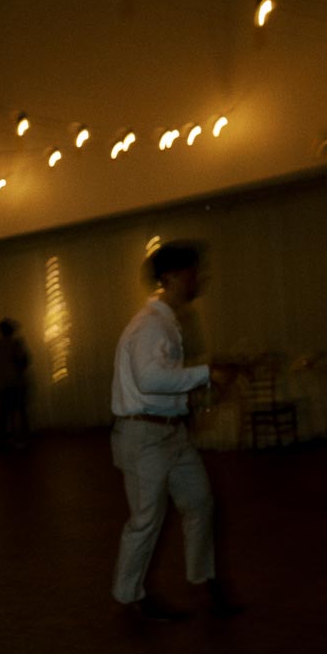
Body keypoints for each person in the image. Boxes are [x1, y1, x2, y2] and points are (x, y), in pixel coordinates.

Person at [111, 240, 240, 620]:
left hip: (169, 433)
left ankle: (203, 580)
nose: (198, 279)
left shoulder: (166, 320)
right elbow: (149, 379)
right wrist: (206, 374)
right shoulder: (151, 323)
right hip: (144, 436)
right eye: (191, 272)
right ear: (170, 277)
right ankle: (129, 596)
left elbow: (159, 380)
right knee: (146, 519)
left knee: (199, 502)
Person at [0, 318, 30, 449]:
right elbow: (24, 362)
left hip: (1, 384)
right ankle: (20, 439)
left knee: (3, 414)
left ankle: (1, 440)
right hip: (16, 383)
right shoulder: (16, 344)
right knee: (19, 412)